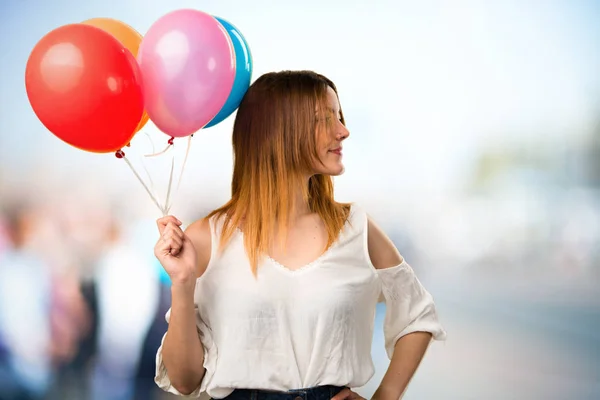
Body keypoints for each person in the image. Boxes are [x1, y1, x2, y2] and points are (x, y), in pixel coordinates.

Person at [153, 70, 446, 400]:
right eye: (326, 119)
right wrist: (183, 282)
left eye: (340, 117)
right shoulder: (208, 237)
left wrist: (387, 394)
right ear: (279, 132)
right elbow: (184, 381)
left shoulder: (356, 228)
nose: (344, 131)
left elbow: (417, 315)